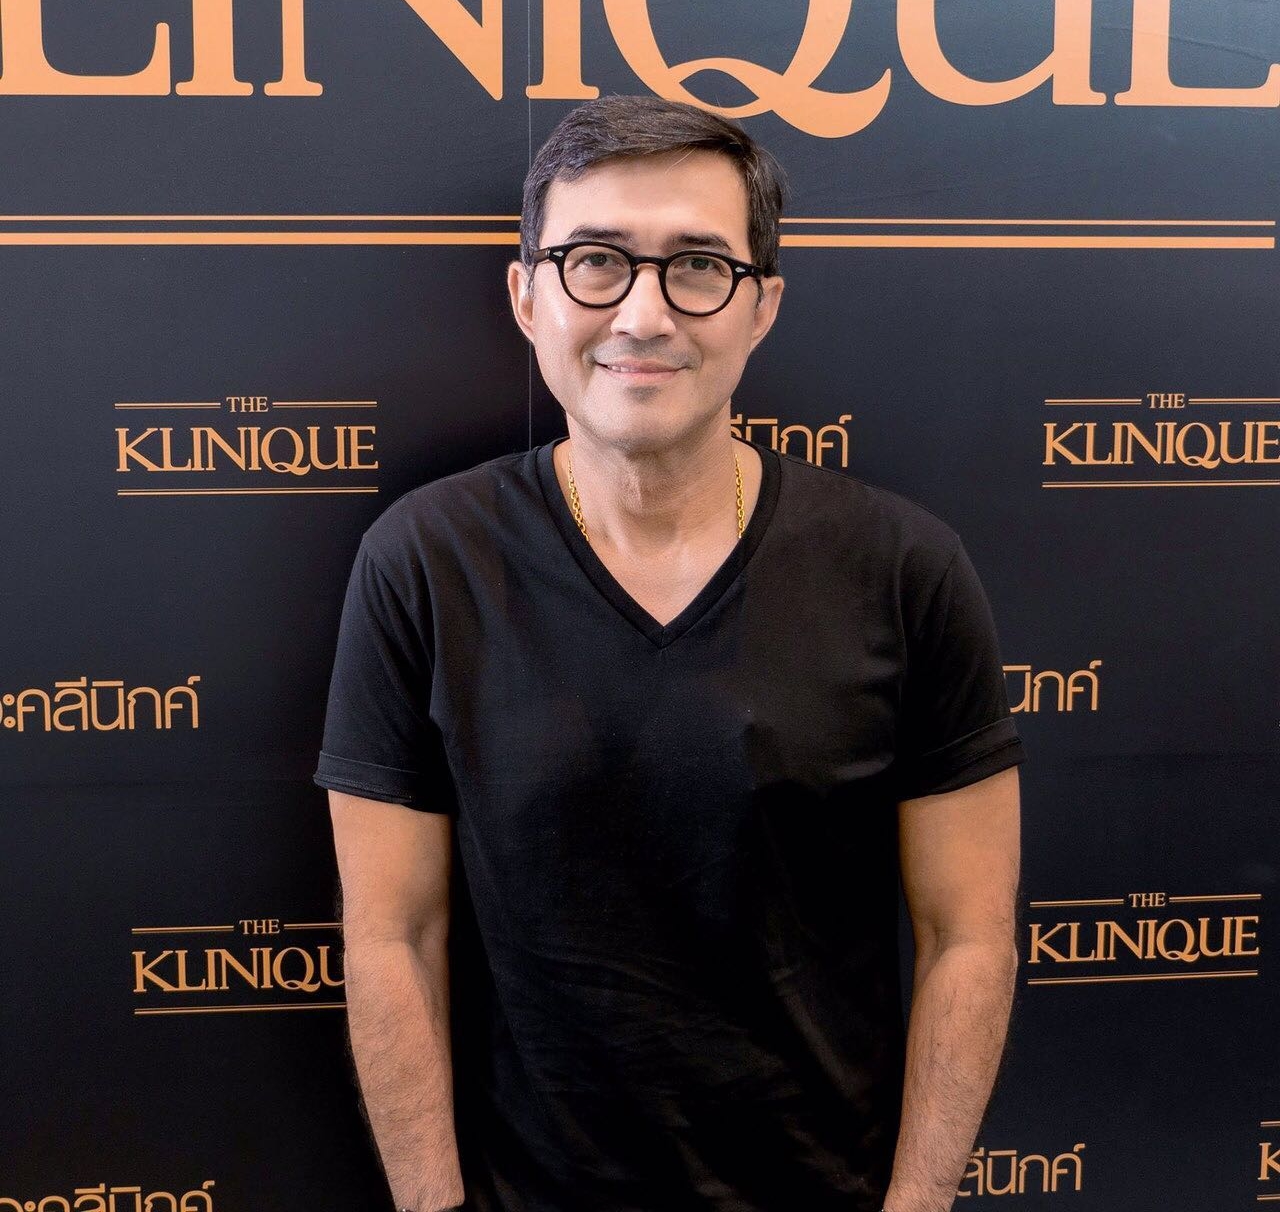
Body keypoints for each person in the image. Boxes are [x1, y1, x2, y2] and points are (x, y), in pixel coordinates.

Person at [314, 94, 1025, 1212]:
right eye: (595, 261)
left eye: (698, 266)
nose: (643, 314)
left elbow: (967, 934)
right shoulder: (421, 561)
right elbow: (391, 935)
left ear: (762, 306)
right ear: (527, 296)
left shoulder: (905, 567)